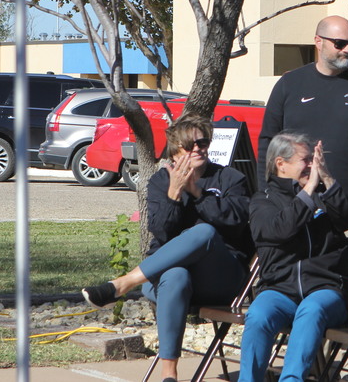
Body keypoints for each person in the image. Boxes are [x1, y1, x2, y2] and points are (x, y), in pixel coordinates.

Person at [81, 114, 253, 382]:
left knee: (205, 231)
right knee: (175, 275)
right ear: (175, 149)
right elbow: (161, 233)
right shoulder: (161, 181)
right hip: (168, 279)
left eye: (203, 142)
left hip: (221, 276)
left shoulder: (230, 179)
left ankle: (124, 283)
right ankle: (169, 375)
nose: (198, 148)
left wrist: (197, 193)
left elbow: (235, 223)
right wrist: (174, 195)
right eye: (190, 144)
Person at [258, 15, 348, 239]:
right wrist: (265, 191)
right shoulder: (290, 84)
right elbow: (267, 142)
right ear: (318, 41)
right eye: (339, 44)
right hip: (295, 206)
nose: (347, 50)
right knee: (299, 271)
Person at [238, 131, 348, 382]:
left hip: (326, 289)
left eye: (313, 160)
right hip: (279, 288)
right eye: (306, 160)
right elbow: (280, 229)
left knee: (311, 309)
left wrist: (325, 178)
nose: (311, 166)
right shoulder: (263, 200)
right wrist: (307, 192)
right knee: (258, 314)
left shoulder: (323, 194)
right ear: (280, 164)